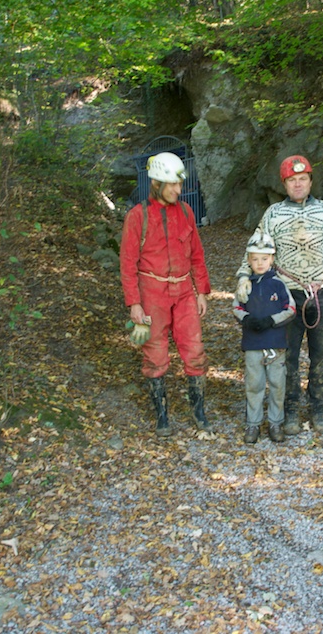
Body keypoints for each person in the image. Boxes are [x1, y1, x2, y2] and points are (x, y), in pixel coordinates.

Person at [235, 154, 323, 435]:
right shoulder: (273, 214)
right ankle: (290, 410)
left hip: (321, 292)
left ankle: (319, 408)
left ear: (310, 181)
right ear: (284, 184)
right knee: (287, 355)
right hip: (287, 294)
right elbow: (256, 246)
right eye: (292, 180)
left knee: (321, 353)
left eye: (302, 179)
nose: (298, 184)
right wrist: (243, 276)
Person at [120, 151, 211, 437]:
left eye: (179, 184)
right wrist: (134, 303)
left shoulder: (186, 212)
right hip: (152, 293)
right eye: (172, 184)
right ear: (156, 183)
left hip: (183, 291)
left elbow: (196, 254)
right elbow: (128, 264)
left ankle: (198, 412)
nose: (178, 190)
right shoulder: (138, 217)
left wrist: (202, 291)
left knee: (194, 351)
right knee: (155, 354)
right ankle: (162, 416)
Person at [232, 229, 296, 445]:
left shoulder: (279, 284)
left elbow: (290, 309)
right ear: (249, 260)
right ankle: (253, 423)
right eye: (255, 259)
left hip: (276, 343)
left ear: (272, 259)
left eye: (264, 259)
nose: (260, 263)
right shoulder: (245, 285)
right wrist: (247, 319)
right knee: (254, 384)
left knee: (278, 384)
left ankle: (276, 422)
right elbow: (236, 307)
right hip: (253, 343)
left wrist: (271, 320)